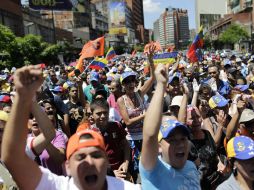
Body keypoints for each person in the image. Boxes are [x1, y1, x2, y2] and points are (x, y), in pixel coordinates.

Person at [1, 65, 140, 190]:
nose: (90, 162)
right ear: (67, 166)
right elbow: (12, 158)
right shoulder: (59, 187)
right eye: (80, 157)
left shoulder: (127, 188)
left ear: (106, 162)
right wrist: (25, 99)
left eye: (96, 155)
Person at [139, 64, 200, 190]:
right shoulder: (152, 168)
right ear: (158, 146)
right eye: (172, 140)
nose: (180, 144)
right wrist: (161, 84)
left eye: (183, 139)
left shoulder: (191, 167)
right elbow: (150, 135)